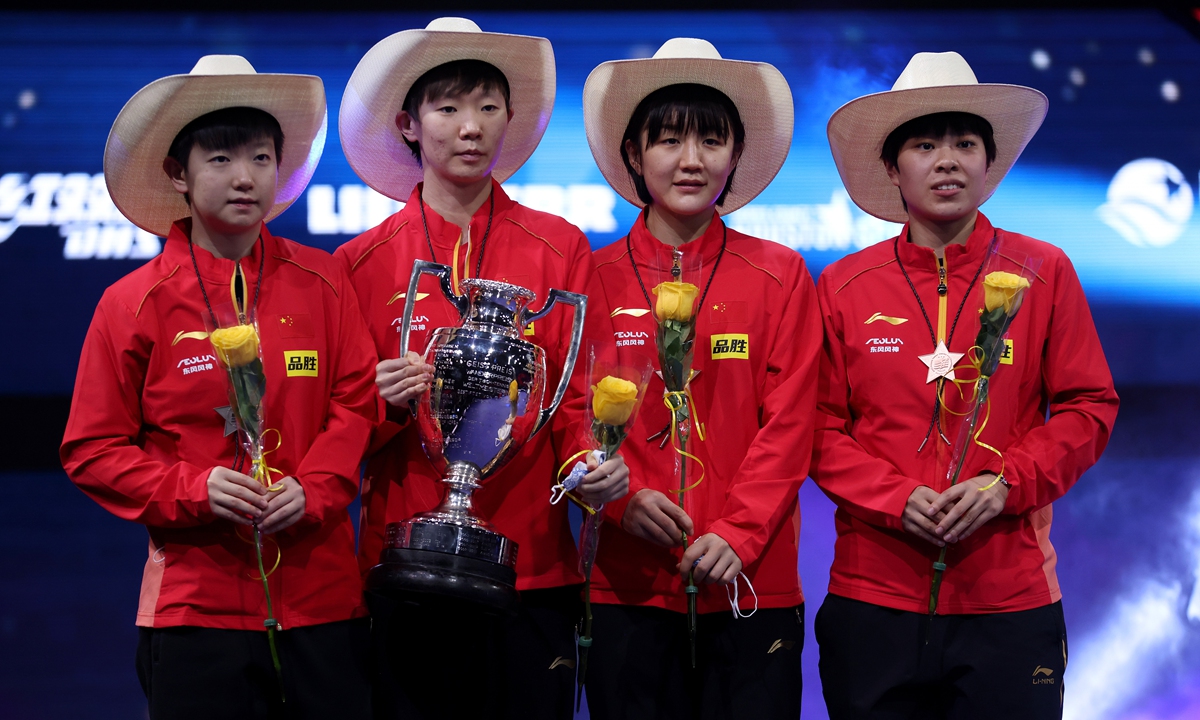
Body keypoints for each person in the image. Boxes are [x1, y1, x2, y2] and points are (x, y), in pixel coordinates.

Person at [60, 56, 378, 719]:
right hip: (193, 611)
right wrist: (192, 488)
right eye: (221, 158)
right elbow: (92, 449)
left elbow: (356, 402)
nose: (244, 177)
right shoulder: (131, 304)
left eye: (262, 158)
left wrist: (314, 489)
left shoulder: (324, 281)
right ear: (179, 173)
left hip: (323, 604)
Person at [812, 51, 1120, 719]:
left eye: (965, 143)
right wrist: (897, 498)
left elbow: (1087, 406)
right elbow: (818, 429)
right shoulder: (844, 286)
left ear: (989, 164)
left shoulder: (1045, 270)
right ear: (893, 168)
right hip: (874, 601)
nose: (947, 160)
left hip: (1009, 603)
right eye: (925, 144)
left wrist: (1007, 482)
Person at [335, 17, 626, 720]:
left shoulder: (558, 247)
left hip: (533, 569)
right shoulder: (359, 263)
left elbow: (576, 397)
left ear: (509, 120)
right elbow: (336, 424)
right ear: (408, 124)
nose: (471, 127)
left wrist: (592, 465)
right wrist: (380, 403)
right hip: (403, 563)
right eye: (448, 108)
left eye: (488, 107)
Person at [581, 38, 821, 720]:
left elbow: (793, 421)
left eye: (712, 141)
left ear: (736, 155)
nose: (691, 160)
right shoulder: (591, 277)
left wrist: (740, 534)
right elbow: (571, 412)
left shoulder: (780, 273)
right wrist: (625, 501)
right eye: (668, 141)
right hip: (624, 585)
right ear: (634, 155)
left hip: (751, 584)